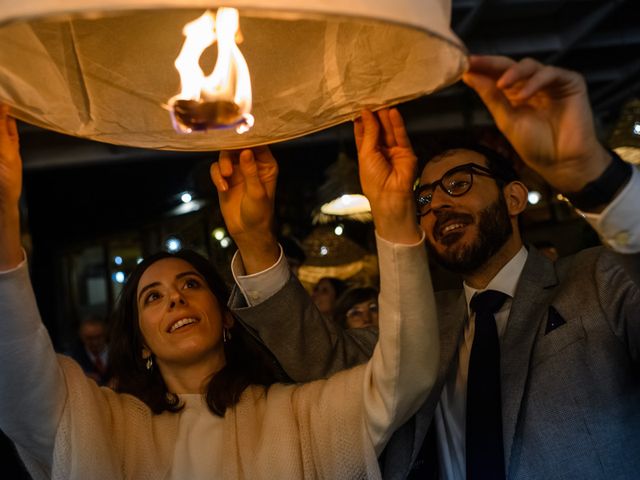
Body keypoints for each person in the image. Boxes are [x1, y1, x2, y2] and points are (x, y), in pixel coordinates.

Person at [226, 55, 640, 480]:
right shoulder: (420, 326)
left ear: (514, 199)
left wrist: (590, 171)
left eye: (458, 183)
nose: (438, 203)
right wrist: (255, 240)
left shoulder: (597, 281)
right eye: (423, 199)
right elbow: (320, 360)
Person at [0, 102, 439, 478]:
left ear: (227, 315)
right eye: (152, 297)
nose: (175, 298)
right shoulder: (102, 424)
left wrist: (395, 214)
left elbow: (407, 375)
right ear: (141, 343)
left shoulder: (296, 415)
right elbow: (18, 379)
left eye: (190, 284)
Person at [67, 314, 112, 386]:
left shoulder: (118, 354)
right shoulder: (73, 360)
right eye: (89, 338)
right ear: (81, 337)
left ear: (106, 334)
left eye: (99, 337)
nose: (95, 342)